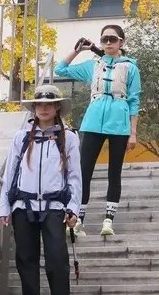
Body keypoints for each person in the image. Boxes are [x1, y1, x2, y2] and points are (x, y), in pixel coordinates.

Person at [0, 85, 82, 295]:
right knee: (26, 259)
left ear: (57, 108)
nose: (44, 108)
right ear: (34, 108)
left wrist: (73, 207)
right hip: (22, 206)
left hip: (55, 206)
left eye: (49, 104)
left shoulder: (69, 138)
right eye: (39, 104)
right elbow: (10, 173)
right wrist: (5, 206)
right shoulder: (21, 137)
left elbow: (75, 176)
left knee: (57, 258)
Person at [54, 24, 141, 237]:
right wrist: (78, 50)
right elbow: (60, 69)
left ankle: (108, 220)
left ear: (121, 42)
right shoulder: (93, 65)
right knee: (84, 170)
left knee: (114, 172)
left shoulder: (130, 67)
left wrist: (133, 132)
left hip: (119, 122)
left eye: (112, 39)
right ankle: (78, 220)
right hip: (93, 121)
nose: (108, 43)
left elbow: (134, 100)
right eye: (104, 39)